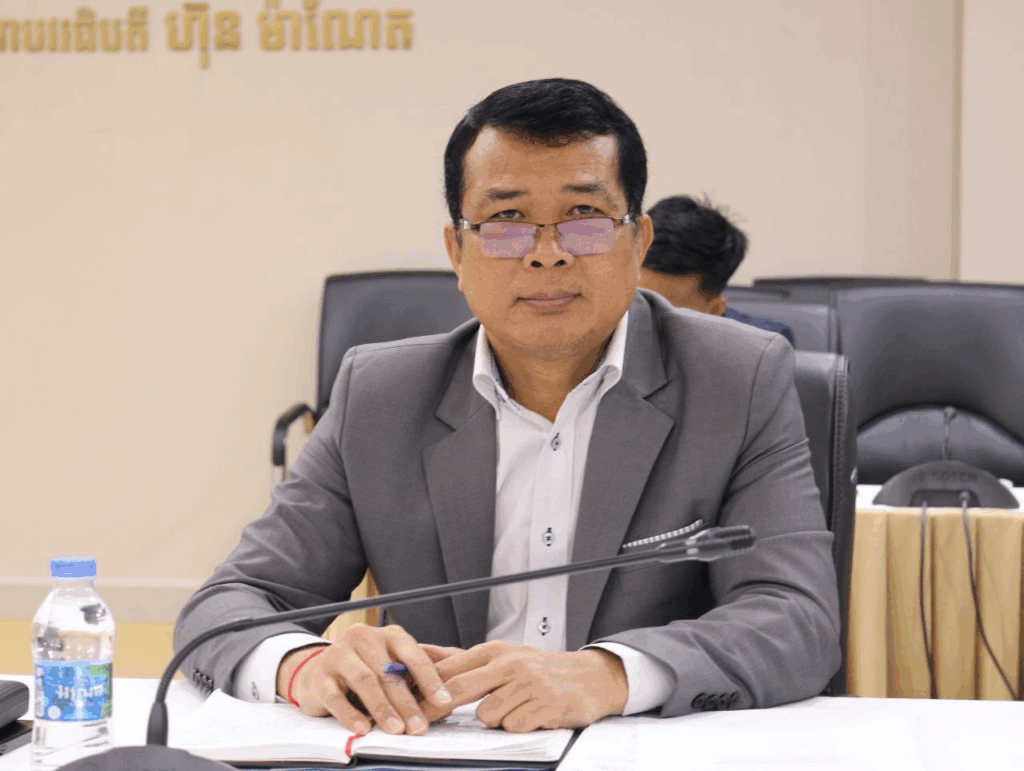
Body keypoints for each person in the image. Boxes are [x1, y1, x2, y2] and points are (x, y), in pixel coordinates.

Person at [174, 78, 840, 736]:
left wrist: (609, 675)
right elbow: (226, 608)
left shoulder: (737, 379)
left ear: (638, 242)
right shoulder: (380, 395)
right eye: (506, 221)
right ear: (456, 251)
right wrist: (305, 665)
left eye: (583, 216)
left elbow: (796, 619)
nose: (547, 255)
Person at [639, 195, 796, 344]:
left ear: (714, 312)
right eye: (638, 302)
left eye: (664, 315)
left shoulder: (761, 350)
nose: (641, 322)